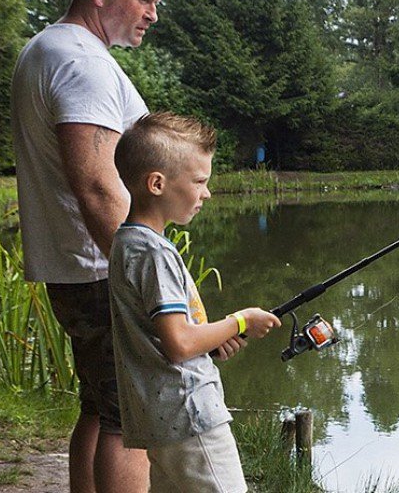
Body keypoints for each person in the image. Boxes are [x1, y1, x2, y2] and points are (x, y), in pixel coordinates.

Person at [11, 0, 166, 492]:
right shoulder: (83, 64)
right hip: (102, 271)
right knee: (132, 423)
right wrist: (147, 275)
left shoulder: (48, 49)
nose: (152, 14)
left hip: (78, 269)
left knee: (100, 408)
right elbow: (99, 188)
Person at [109, 112, 280, 491]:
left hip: (158, 418)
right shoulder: (155, 253)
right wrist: (239, 321)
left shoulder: (126, 244)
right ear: (157, 183)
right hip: (189, 415)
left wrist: (212, 340)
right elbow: (179, 343)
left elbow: (170, 336)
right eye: (200, 181)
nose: (206, 193)